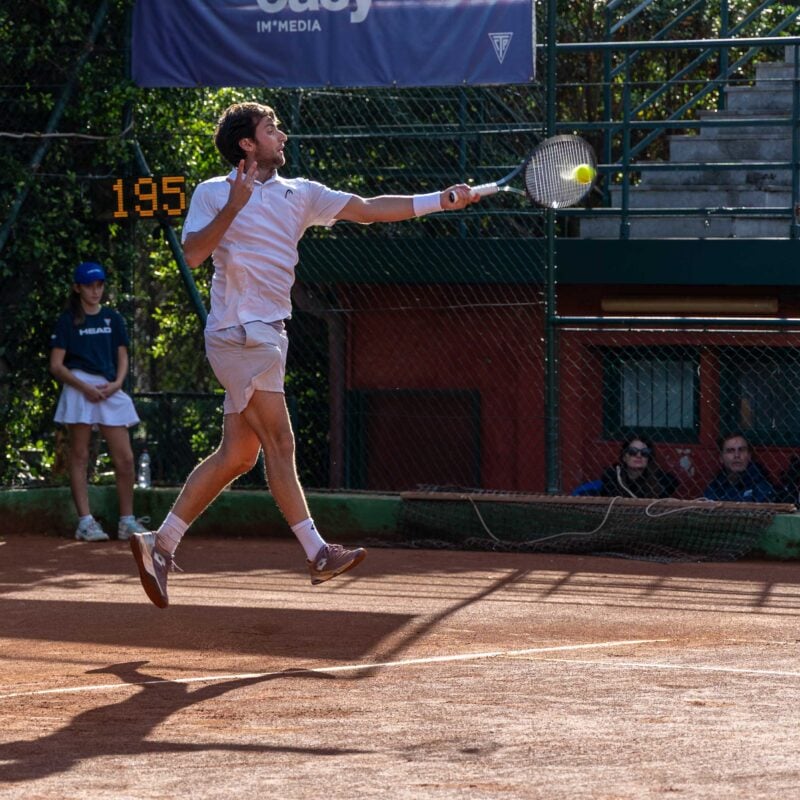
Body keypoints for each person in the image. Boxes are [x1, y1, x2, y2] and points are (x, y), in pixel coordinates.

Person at [129, 101, 480, 608]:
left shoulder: (301, 194)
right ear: (247, 144)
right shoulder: (212, 192)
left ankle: (159, 545)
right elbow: (191, 254)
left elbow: (366, 208)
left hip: (269, 333)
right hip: (239, 334)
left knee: (238, 455)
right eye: (271, 129)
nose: (282, 135)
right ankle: (316, 552)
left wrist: (439, 201)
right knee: (280, 441)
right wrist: (234, 204)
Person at [49, 261, 148, 542]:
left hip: (109, 389)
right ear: (77, 287)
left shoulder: (113, 319)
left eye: (100, 285)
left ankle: (126, 522)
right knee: (79, 455)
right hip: (79, 388)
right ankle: (85, 522)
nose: (95, 291)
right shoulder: (67, 320)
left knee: (126, 459)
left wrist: (117, 384)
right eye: (90, 286)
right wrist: (84, 387)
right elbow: (56, 365)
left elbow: (123, 357)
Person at [597, 435, 679, 498]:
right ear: (624, 457)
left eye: (645, 452)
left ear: (648, 458)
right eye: (633, 451)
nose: (639, 455)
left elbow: (673, 482)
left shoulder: (659, 479)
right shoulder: (613, 475)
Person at [703, 432, 776, 502]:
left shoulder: (761, 485)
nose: (737, 455)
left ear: (749, 456)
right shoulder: (716, 485)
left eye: (741, 450)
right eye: (730, 451)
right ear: (721, 458)